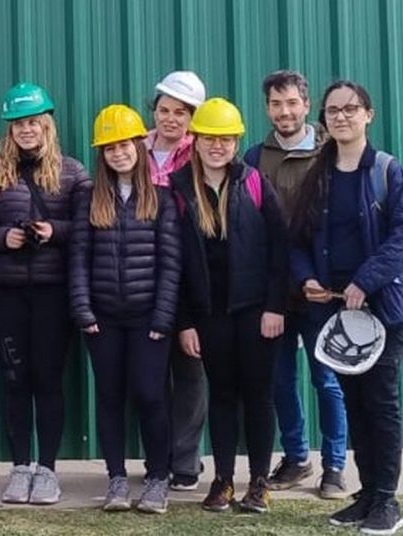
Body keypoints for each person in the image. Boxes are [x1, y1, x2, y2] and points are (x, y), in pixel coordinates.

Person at [290, 80, 403, 534]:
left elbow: (401, 237)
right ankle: (366, 492)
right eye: (332, 110)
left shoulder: (388, 171)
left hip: (380, 309)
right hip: (333, 312)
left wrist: (365, 279)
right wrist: (306, 280)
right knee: (353, 401)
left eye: (350, 108)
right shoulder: (318, 174)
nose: (340, 116)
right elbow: (296, 239)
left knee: (381, 401)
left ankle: (386, 500)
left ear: (368, 115)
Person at [0, 82, 88, 505]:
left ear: (47, 123)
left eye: (33, 121)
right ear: (10, 128)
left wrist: (53, 231)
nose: (26, 130)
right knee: (15, 381)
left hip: (54, 295)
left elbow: (89, 226)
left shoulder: (73, 172)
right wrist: (8, 238)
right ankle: (20, 468)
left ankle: (48, 470)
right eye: (18, 123)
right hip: (8, 294)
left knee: (49, 381)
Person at [171, 98, 287, 514]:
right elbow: (175, 264)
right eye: (209, 139)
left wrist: (276, 307)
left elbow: (280, 250)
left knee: (258, 395)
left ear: (236, 141)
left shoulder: (254, 183)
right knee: (220, 395)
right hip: (208, 314)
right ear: (195, 141)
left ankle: (258, 482)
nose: (217, 146)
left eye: (226, 139)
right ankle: (222, 481)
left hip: (257, 312)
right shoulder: (180, 189)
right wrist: (184, 321)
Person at [242, 70, 348, 499]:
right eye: (275, 104)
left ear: (306, 106)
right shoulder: (253, 158)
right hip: (274, 292)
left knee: (327, 379)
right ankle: (297, 456)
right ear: (267, 108)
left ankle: (336, 464)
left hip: (321, 290)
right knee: (279, 381)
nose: (284, 112)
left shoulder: (333, 152)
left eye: (291, 103)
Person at [70, 104, 181, 513]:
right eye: (109, 147)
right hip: (103, 320)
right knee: (110, 397)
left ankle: (157, 477)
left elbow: (172, 263)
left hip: (148, 320)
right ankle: (116, 478)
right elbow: (78, 258)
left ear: (139, 145)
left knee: (152, 396)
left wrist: (163, 317)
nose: (118, 153)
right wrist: (84, 311)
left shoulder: (162, 199)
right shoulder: (88, 198)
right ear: (101, 154)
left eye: (124, 145)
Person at [147, 70, 210, 492]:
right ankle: (157, 456)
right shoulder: (134, 146)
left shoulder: (203, 154)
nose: (170, 119)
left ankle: (184, 460)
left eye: (180, 113)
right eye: (164, 110)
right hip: (141, 276)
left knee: (191, 371)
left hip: (191, 276)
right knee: (150, 376)